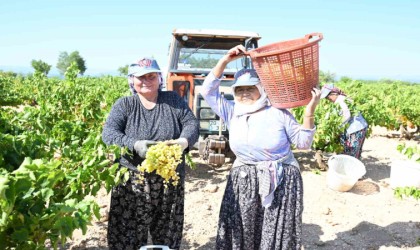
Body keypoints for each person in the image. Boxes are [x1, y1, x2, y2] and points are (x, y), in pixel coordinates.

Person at [200, 45, 321, 249]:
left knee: (274, 231)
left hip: (280, 180)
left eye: (250, 88)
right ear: (234, 92)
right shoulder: (231, 112)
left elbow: (303, 143)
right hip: (244, 179)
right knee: (242, 229)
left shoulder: (278, 113)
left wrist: (309, 113)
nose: (245, 93)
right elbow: (208, 91)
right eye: (240, 89)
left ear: (262, 89)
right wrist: (225, 61)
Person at [102, 57, 199, 250]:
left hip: (168, 180)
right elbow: (109, 133)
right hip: (133, 181)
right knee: (127, 232)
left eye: (151, 76)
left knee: (167, 231)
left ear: (159, 79)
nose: (146, 81)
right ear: (132, 81)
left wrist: (183, 141)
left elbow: (191, 123)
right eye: (141, 77)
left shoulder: (172, 100)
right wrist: (135, 144)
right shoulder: (125, 105)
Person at [320, 83, 368, 159]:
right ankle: (352, 168)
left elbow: (346, 115)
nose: (328, 99)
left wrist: (337, 128)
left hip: (355, 130)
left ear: (334, 94)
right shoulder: (342, 98)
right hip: (359, 128)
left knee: (351, 153)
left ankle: (351, 169)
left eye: (328, 97)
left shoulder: (340, 100)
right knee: (354, 152)